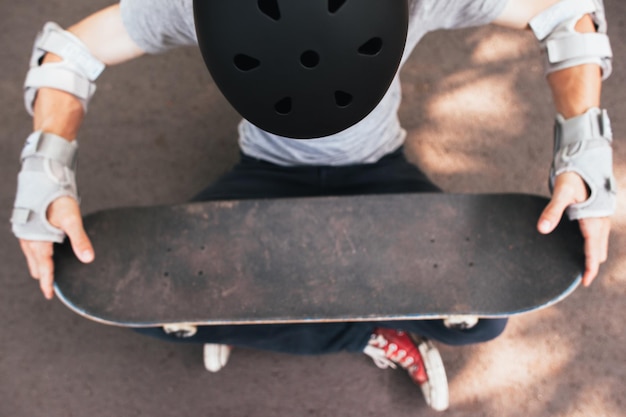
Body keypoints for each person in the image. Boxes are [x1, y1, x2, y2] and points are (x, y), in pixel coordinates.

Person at [11, 0, 615, 411]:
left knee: (486, 314)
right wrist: (45, 175)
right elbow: (67, 51)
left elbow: (565, 13)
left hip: (379, 172)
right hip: (264, 176)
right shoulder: (196, 3)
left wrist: (583, 151)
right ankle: (362, 328)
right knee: (124, 293)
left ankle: (250, 314)